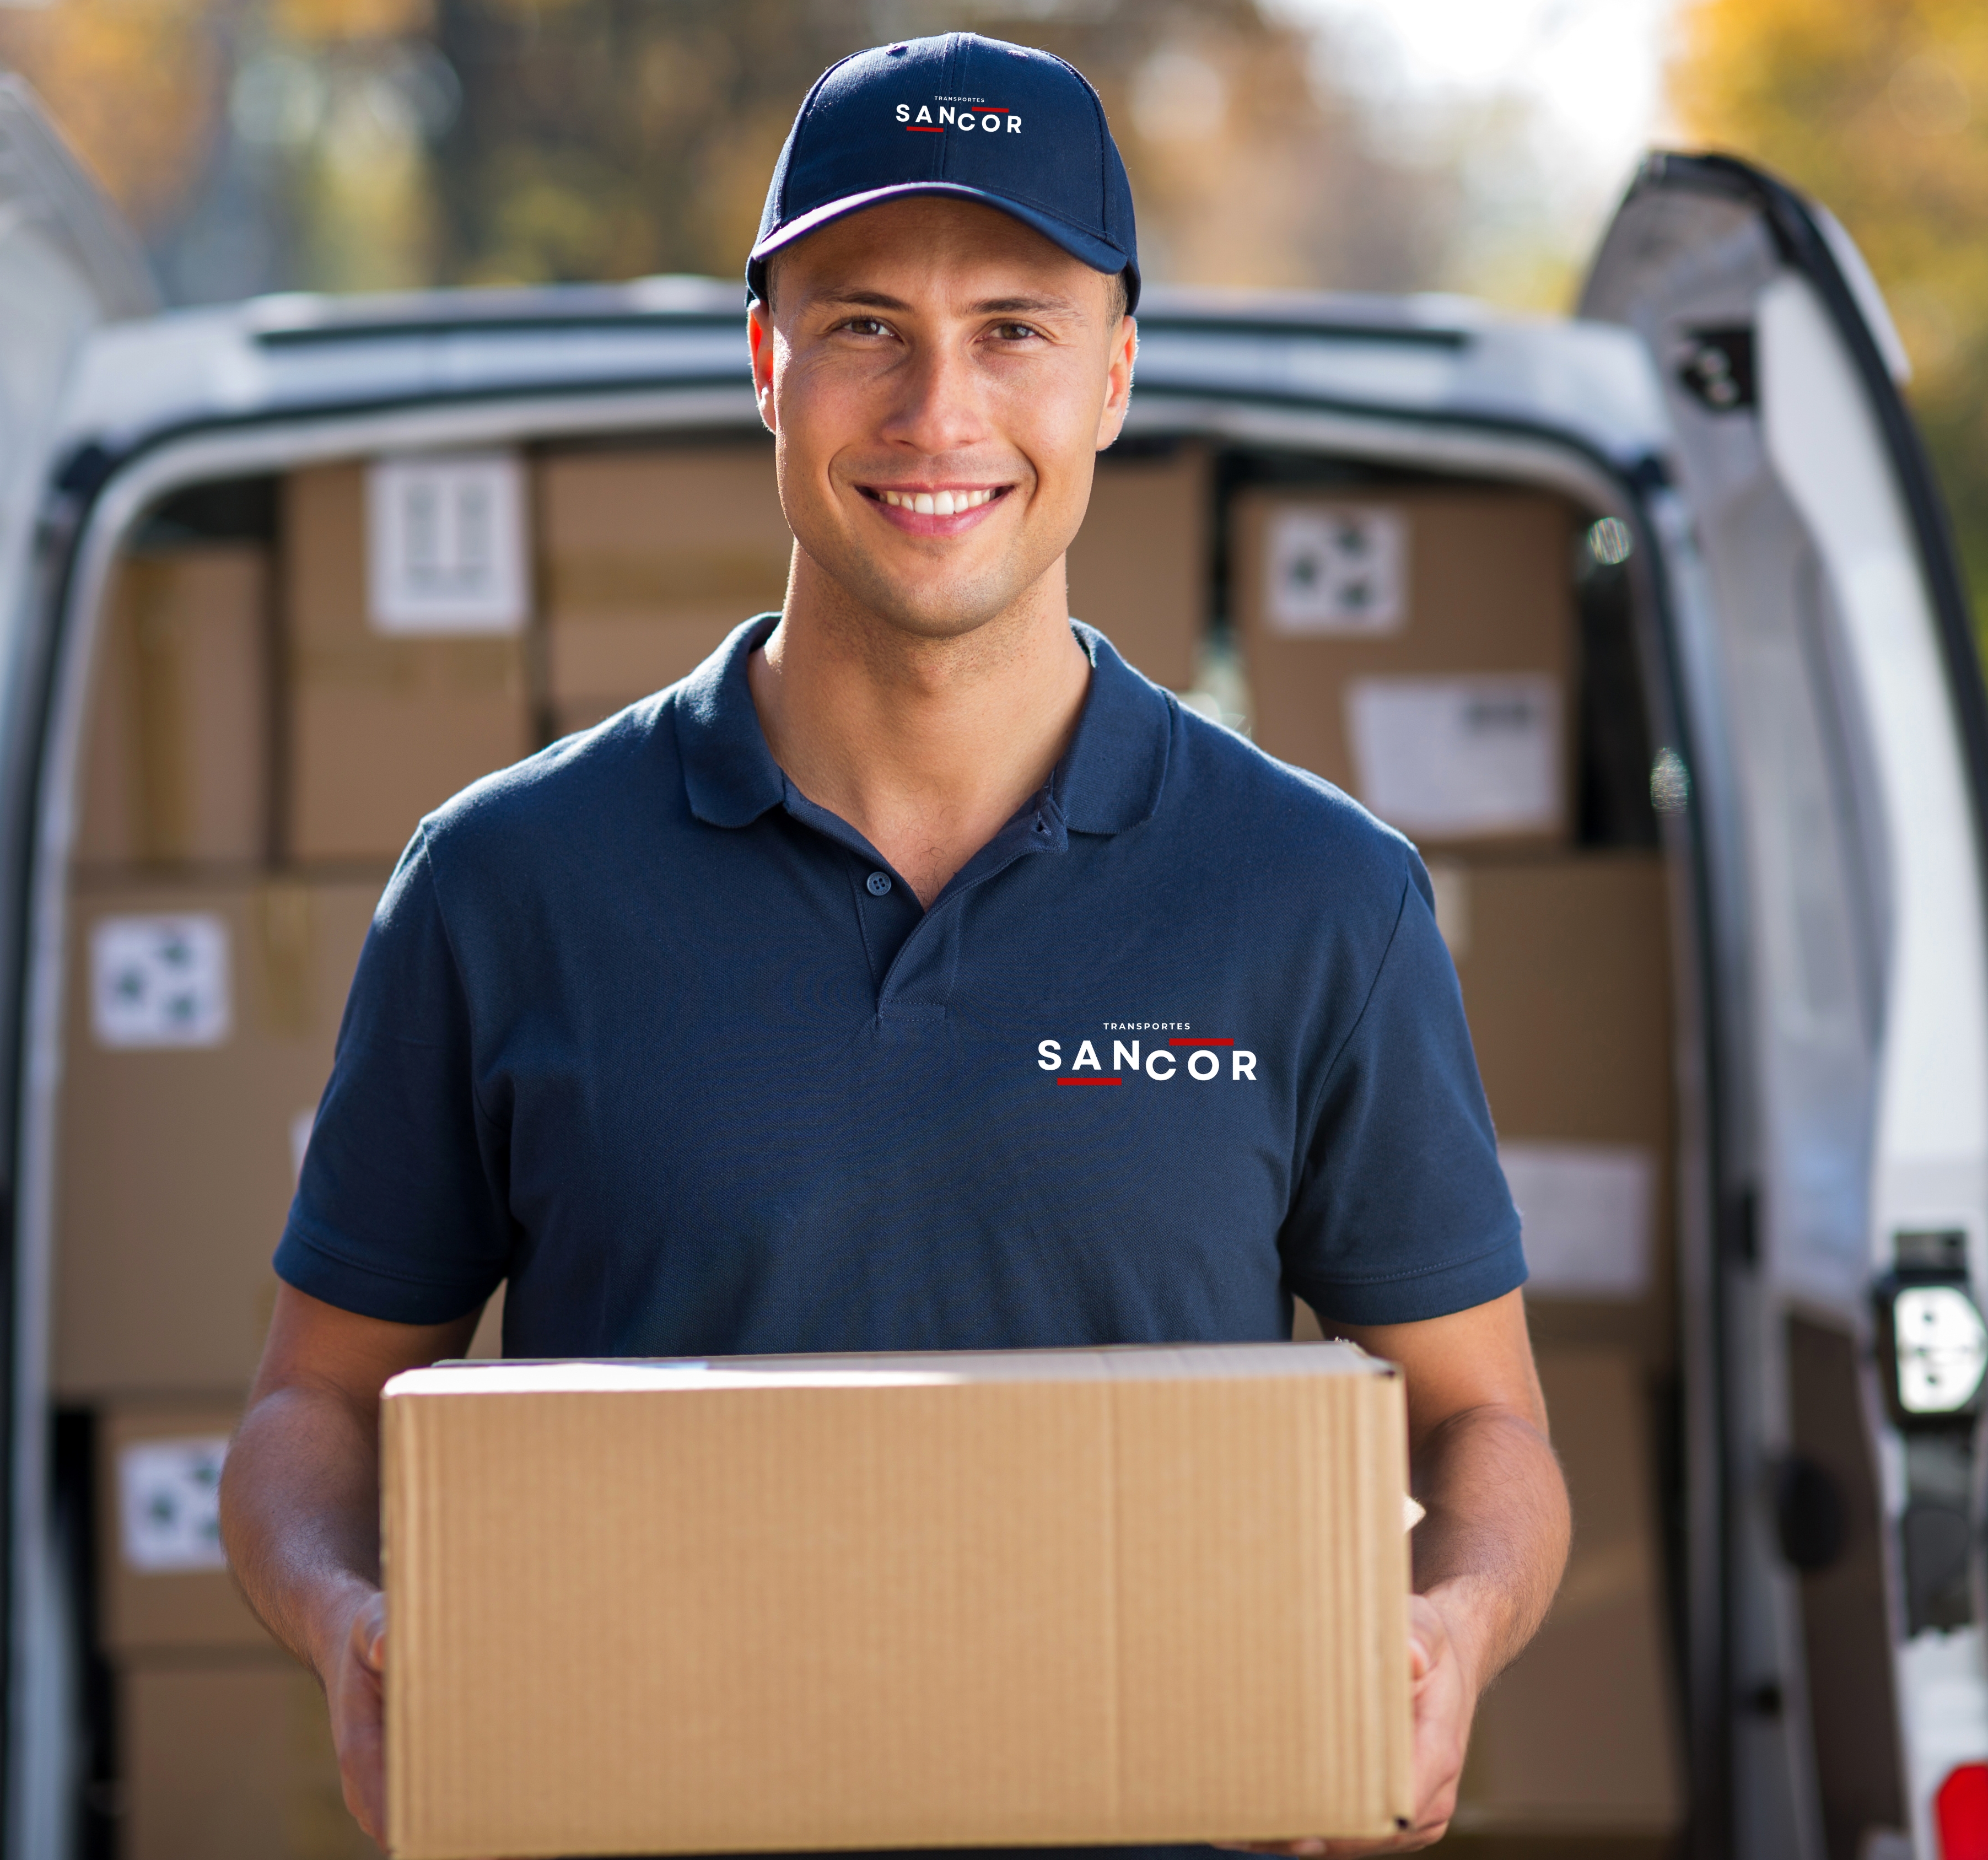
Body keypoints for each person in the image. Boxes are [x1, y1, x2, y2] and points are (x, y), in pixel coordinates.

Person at [220, 31, 1570, 1856]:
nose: (938, 411)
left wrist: (1446, 1629)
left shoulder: (1314, 897)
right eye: (864, 325)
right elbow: (311, 1406)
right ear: (766, 365)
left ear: (1112, 376)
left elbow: (1484, 1428)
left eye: (1012, 326)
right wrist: (353, 1622)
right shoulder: (503, 883)